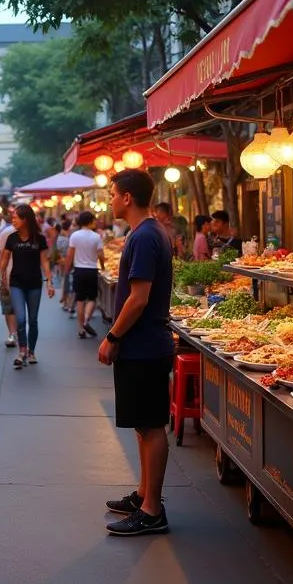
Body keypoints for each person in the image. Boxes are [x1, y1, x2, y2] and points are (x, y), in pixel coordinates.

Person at [98, 169, 174, 536]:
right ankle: (144, 493)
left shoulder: (144, 236)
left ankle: (152, 509)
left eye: (113, 194)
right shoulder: (147, 232)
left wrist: (112, 336)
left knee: (151, 426)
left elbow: (139, 298)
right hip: (143, 345)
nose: (110, 200)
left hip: (144, 345)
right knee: (143, 426)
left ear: (127, 197)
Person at [0, 204, 55, 368]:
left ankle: (31, 352)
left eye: (15, 218)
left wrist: (49, 282)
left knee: (33, 320)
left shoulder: (39, 239)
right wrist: (1, 277)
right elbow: (4, 260)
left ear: (25, 219)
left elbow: (44, 262)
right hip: (16, 283)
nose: (13, 221)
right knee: (20, 319)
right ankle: (22, 350)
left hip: (34, 284)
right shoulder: (11, 238)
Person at [65, 211, 105, 339]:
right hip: (92, 270)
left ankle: (81, 329)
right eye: (94, 220)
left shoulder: (74, 236)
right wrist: (103, 266)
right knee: (92, 298)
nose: (95, 222)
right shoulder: (96, 237)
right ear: (90, 221)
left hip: (79, 270)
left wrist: (67, 269)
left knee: (80, 300)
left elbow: (70, 255)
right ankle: (87, 320)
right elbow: (101, 255)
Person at [0, 211, 19, 348]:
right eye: (13, 218)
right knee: (10, 308)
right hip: (7, 277)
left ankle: (15, 333)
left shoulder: (31, 234)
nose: (15, 220)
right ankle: (13, 333)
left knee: (12, 308)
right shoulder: (6, 233)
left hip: (18, 278)